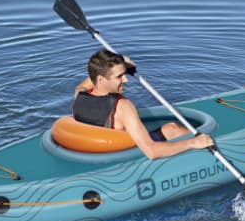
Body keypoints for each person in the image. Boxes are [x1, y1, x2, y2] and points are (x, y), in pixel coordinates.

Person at [73, 49, 214, 159]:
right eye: (119, 76)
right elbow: (151, 151)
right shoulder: (123, 107)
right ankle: (209, 143)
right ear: (101, 79)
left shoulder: (79, 96)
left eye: (124, 74)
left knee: (170, 128)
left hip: (96, 149)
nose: (126, 80)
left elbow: (89, 81)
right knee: (174, 129)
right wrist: (192, 143)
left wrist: (119, 65)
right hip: (127, 153)